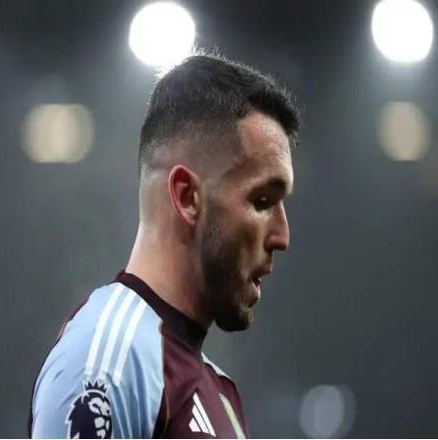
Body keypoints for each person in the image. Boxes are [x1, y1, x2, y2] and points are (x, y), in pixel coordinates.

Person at [29, 53, 300, 439]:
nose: (282, 236)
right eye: (262, 201)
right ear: (187, 197)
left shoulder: (217, 392)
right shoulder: (106, 363)